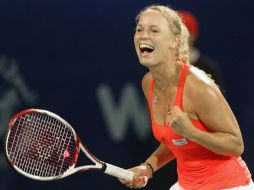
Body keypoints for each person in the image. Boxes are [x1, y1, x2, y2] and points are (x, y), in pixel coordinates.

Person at [119, 4, 253, 190]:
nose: (143, 35)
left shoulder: (198, 86)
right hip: (186, 184)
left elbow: (236, 145)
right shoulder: (148, 83)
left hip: (228, 185)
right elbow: (174, 139)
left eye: (154, 30)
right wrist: (148, 167)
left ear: (174, 41)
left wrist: (191, 132)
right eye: (139, 29)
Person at [179, 10, 224, 88]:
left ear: (194, 35)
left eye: (186, 32)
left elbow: (216, 99)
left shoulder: (208, 68)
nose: (181, 37)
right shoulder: (164, 66)